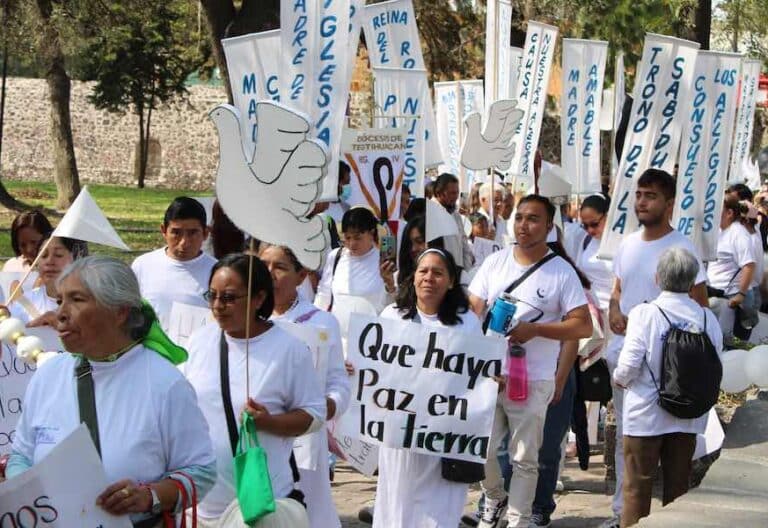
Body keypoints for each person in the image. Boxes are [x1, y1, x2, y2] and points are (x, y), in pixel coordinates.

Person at [7, 256, 217, 526]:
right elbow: (21, 456)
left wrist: (149, 496)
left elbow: (201, 472)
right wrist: (22, 493)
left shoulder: (165, 383)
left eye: (77, 300)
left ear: (120, 312)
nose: (60, 313)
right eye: (60, 300)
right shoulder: (49, 374)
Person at [469, 195, 592, 528]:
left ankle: (519, 519)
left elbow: (582, 325)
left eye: (533, 219)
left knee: (525, 458)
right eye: (519, 217)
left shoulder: (561, 271)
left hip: (534, 377)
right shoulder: (495, 263)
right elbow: (472, 308)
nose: (524, 225)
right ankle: (494, 497)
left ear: (549, 226)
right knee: (481, 448)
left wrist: (535, 330)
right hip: (489, 375)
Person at [184, 254, 326, 527]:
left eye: (228, 297)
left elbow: (314, 415)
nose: (217, 306)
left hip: (259, 508)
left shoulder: (289, 351)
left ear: (258, 299)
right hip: (201, 507)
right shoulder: (199, 341)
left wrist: (270, 422)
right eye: (211, 295)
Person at [603, 168, 709, 528]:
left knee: (673, 464)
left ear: (669, 203)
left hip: (670, 372)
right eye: (639, 194)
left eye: (650, 195)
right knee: (624, 442)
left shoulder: (681, 247)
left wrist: (652, 327)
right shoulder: (628, 243)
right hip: (627, 363)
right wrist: (616, 311)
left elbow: (700, 308)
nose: (642, 202)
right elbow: (616, 291)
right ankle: (621, 515)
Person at [613, 248, 722, 527]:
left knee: (637, 487)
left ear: (658, 278)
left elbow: (629, 365)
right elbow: (716, 364)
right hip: (688, 417)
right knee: (678, 489)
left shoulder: (644, 313)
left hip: (645, 415)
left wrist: (619, 380)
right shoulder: (708, 318)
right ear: (692, 280)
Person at [374, 248, 483, 528]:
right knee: (397, 504)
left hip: (444, 436)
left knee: (439, 510)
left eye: (437, 272)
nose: (429, 278)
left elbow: (478, 374)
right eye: (423, 271)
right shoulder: (392, 316)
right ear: (413, 278)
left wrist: (491, 380)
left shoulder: (467, 323)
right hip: (399, 434)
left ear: (450, 281)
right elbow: (375, 366)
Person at [260, 244, 350, 528]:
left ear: (301, 276)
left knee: (306, 512)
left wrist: (327, 406)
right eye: (264, 265)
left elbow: (338, 382)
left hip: (304, 438)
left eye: (280, 267)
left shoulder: (321, 324)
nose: (270, 274)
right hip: (257, 436)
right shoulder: (247, 321)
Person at [132, 197, 217, 330]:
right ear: (164, 231)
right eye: (176, 233)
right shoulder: (142, 265)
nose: (184, 242)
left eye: (192, 233)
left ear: (206, 233)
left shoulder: (217, 272)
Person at [315, 208, 394, 313]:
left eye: (357, 238)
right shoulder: (335, 257)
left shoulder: (384, 261)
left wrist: (390, 285)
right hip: (339, 325)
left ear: (371, 233)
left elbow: (393, 304)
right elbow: (324, 294)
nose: (352, 244)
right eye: (347, 238)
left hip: (371, 325)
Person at [7, 235, 88, 325]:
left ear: (78, 258)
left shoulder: (92, 305)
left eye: (58, 255)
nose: (49, 261)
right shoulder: (23, 305)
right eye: (44, 255)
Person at [707, 196, 755, 340]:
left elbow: (749, 265)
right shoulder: (720, 231)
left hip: (731, 299)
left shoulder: (739, 234)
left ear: (729, 213)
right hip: (716, 295)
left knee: (726, 341)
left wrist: (740, 294)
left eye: (717, 209)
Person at [577, 194, 614, 313]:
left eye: (594, 224)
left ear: (607, 216)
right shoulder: (586, 241)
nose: (590, 230)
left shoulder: (623, 242)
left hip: (618, 313)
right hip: (592, 313)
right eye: (585, 226)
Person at [433, 173, 475, 272]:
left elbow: (464, 245)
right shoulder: (429, 215)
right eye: (452, 193)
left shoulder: (456, 216)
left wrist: (466, 273)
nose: (455, 197)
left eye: (457, 193)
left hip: (457, 274)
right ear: (439, 193)